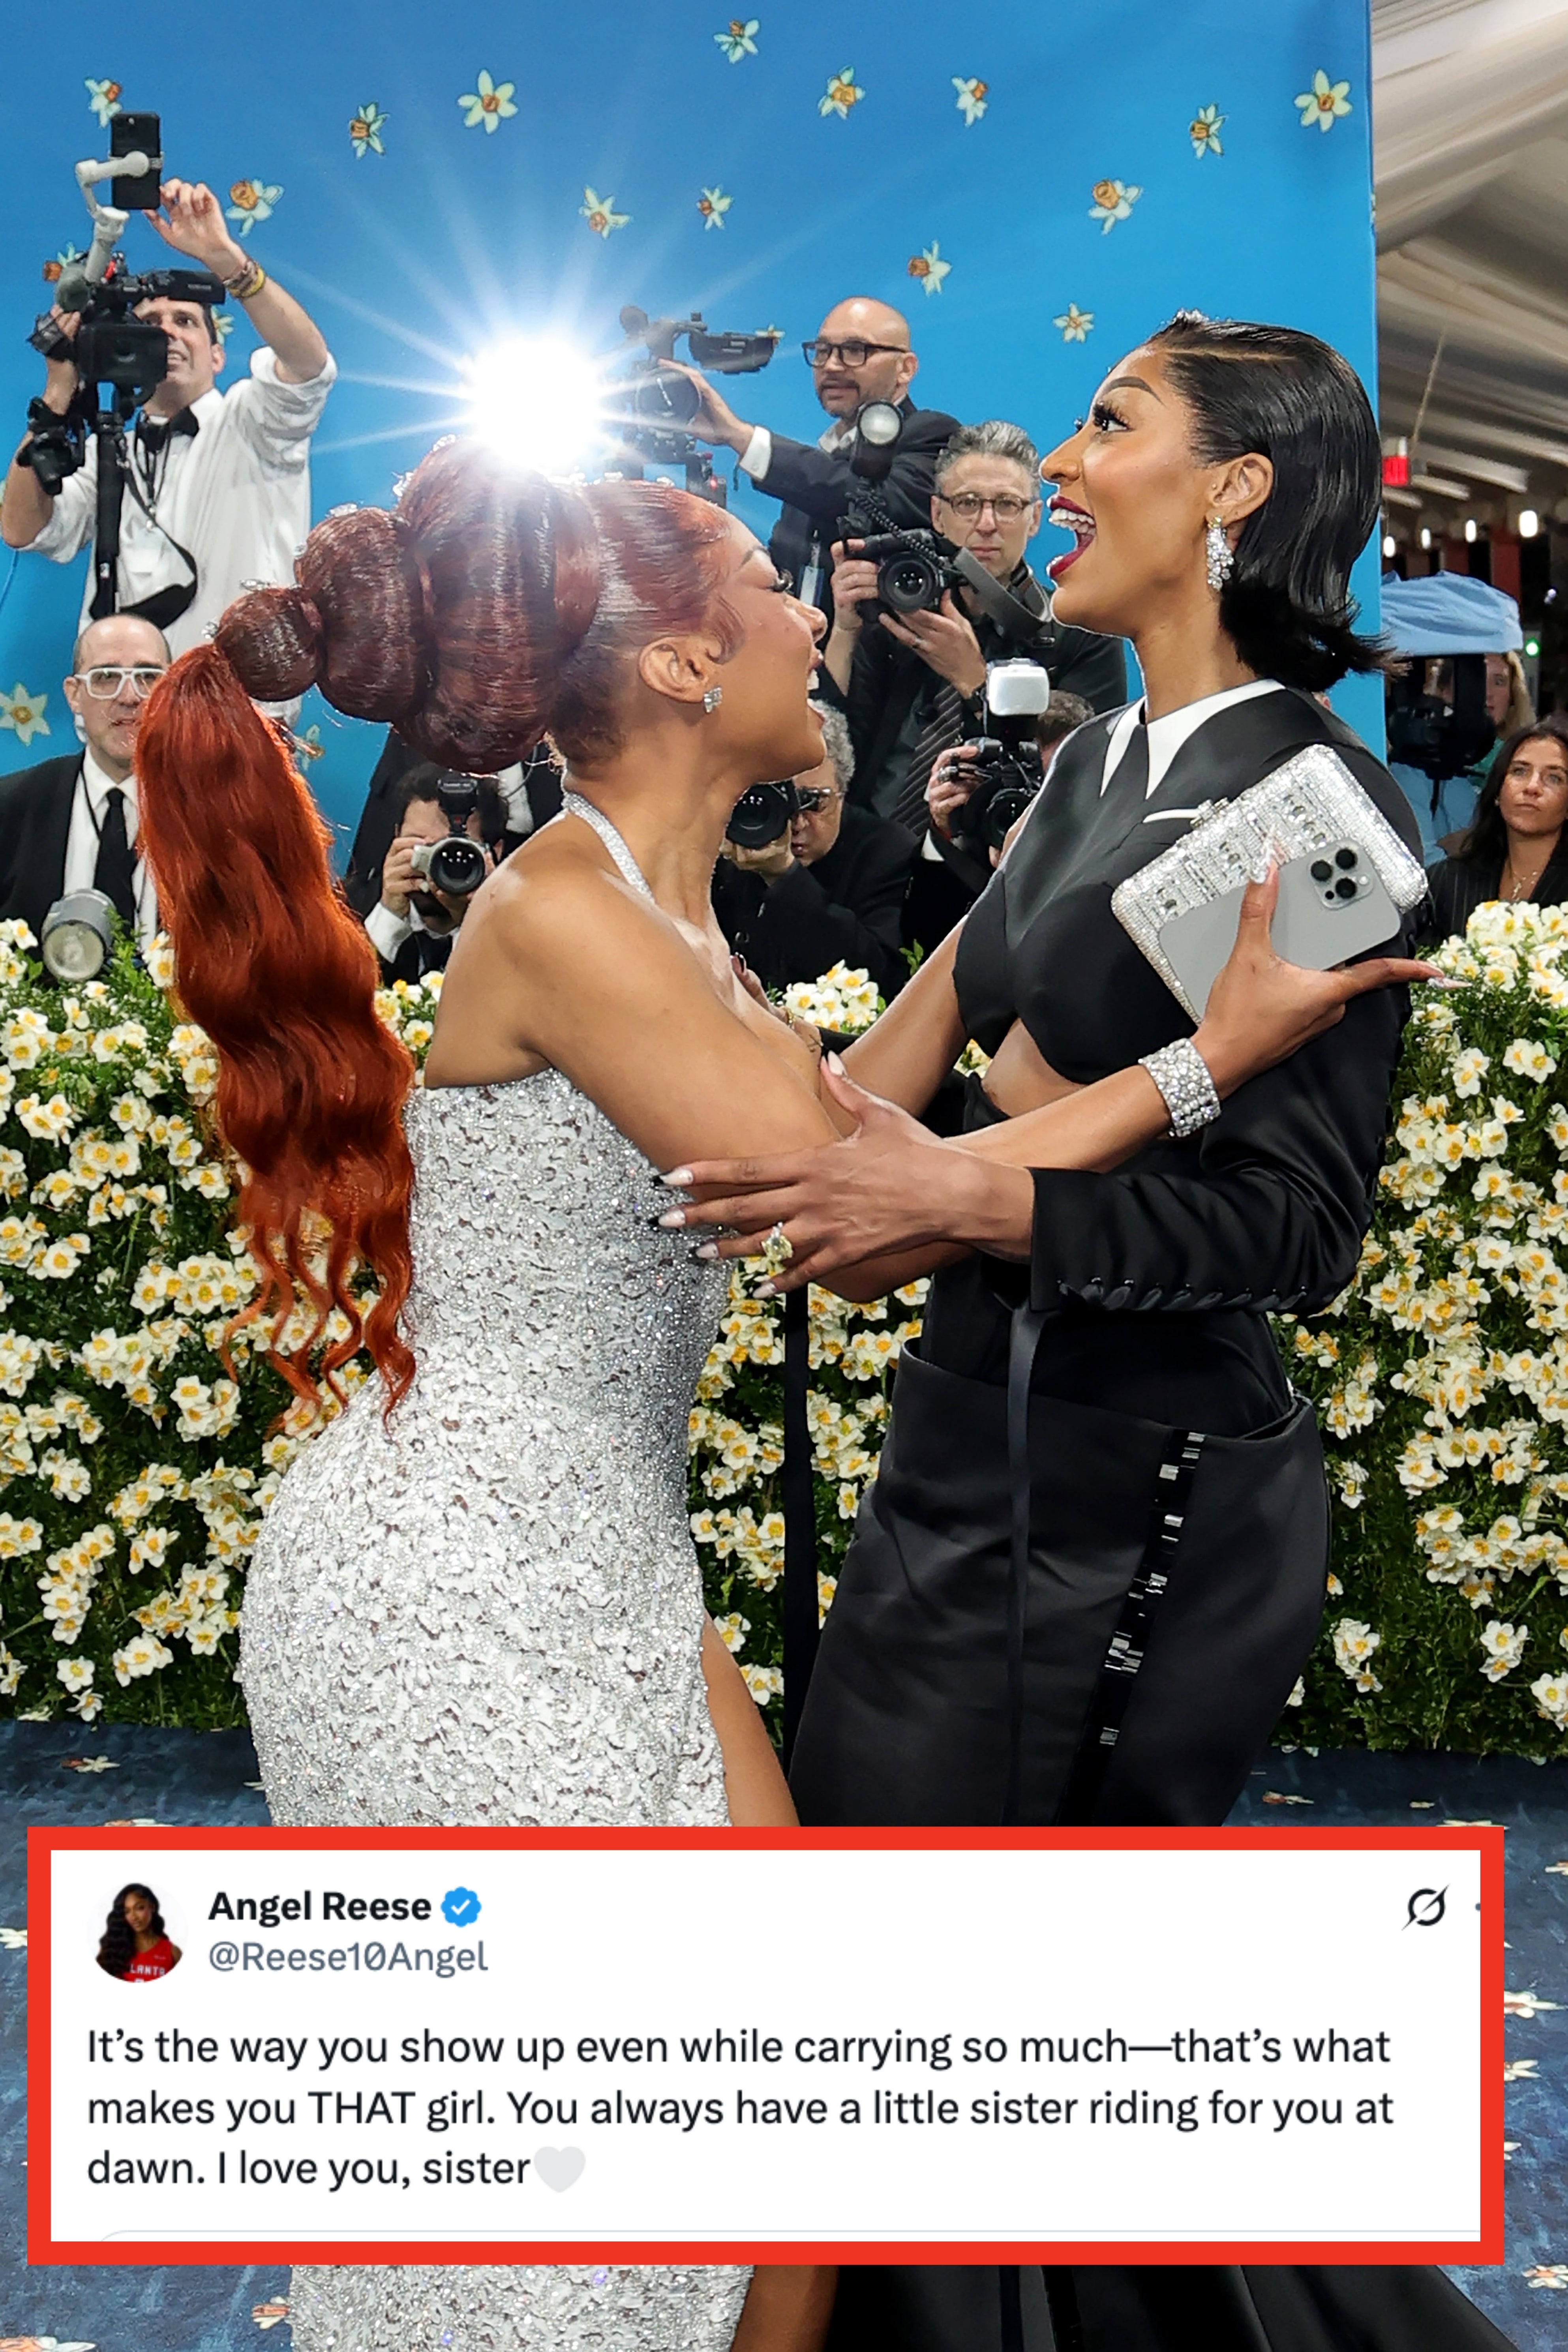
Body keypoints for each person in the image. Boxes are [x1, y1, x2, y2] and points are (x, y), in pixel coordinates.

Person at [133, 437, 1430, 2352]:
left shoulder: (700, 923)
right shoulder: (579, 915)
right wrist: (1195, 1061)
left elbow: (898, 1106)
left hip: (645, 1559)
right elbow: (861, 1205)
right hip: (466, 1587)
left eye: (1114, 424)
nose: (799, 606)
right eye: (760, 578)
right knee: (596, 2206)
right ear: (674, 665)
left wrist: (1063, 947)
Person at [668, 313, 1517, 2352]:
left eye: (1108, 423)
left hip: (1134, 1501)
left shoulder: (1318, 797)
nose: (1055, 458)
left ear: (1236, 489)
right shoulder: (1090, 768)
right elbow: (888, 1098)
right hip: (977, 1456)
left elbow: (1293, 1227)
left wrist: (974, 1190)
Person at [0, 178, 333, 656]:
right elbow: (20, 529)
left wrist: (226, 260)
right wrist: (58, 391)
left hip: (237, 713)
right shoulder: (107, 450)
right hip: (121, 715)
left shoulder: (255, 421)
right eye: (151, 325)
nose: (169, 336)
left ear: (217, 355)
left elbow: (308, 365)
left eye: (186, 322)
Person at [822, 420, 1126, 829]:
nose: (987, 524)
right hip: (869, 853)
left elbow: (1083, 781)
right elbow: (836, 743)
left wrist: (974, 682)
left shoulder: (1081, 631)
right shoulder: (902, 608)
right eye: (967, 503)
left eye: (1006, 505)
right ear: (938, 514)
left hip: (986, 861)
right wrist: (845, 630)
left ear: (1035, 519)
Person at [673, 296, 957, 625]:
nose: (832, 366)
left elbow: (869, 499)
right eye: (822, 351)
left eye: (855, 350)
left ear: (905, 368)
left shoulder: (933, 436)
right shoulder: (815, 469)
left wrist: (739, 436)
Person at [711, 702, 914, 997]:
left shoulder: (888, 853)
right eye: (777, 803)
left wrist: (784, 875)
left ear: (843, 792)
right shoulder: (737, 835)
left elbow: (874, 978)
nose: (795, 823)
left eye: (813, 802)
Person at [0, 611, 168, 948]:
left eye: (148, 678)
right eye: (107, 677)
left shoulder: (214, 815)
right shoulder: (11, 808)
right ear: (74, 694)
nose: (129, 697)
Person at [906, 689, 1098, 957]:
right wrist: (946, 832)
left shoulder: (1105, 847)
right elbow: (921, 944)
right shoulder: (979, 828)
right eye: (1018, 778)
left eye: (1053, 780)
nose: (1031, 799)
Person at [1425, 718, 1568, 939]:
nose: (1532, 787)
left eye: (1554, 778)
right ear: (1497, 791)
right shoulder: (1445, 881)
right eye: (1520, 772)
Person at [365, 765, 506, 983]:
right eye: (422, 846)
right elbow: (331, 1006)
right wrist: (388, 918)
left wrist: (477, 922)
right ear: (396, 837)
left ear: (494, 851)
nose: (436, 861)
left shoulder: (522, 932)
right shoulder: (342, 910)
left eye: (453, 850)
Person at [96, 1883, 181, 1981]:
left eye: (139, 1908)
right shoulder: (112, 1950)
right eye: (127, 1911)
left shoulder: (172, 1953)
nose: (133, 1917)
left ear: (152, 1907)